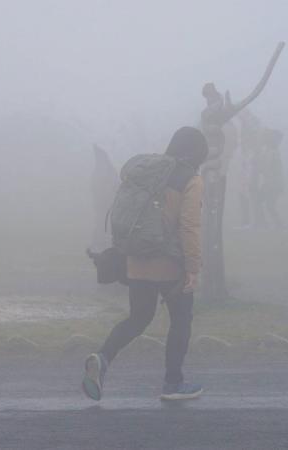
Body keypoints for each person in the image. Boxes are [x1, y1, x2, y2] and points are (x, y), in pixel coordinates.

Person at [82, 127, 208, 401]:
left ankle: (103, 358)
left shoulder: (151, 173)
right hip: (169, 263)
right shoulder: (191, 179)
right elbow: (189, 227)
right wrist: (193, 268)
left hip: (137, 259)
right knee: (181, 320)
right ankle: (173, 384)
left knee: (139, 318)